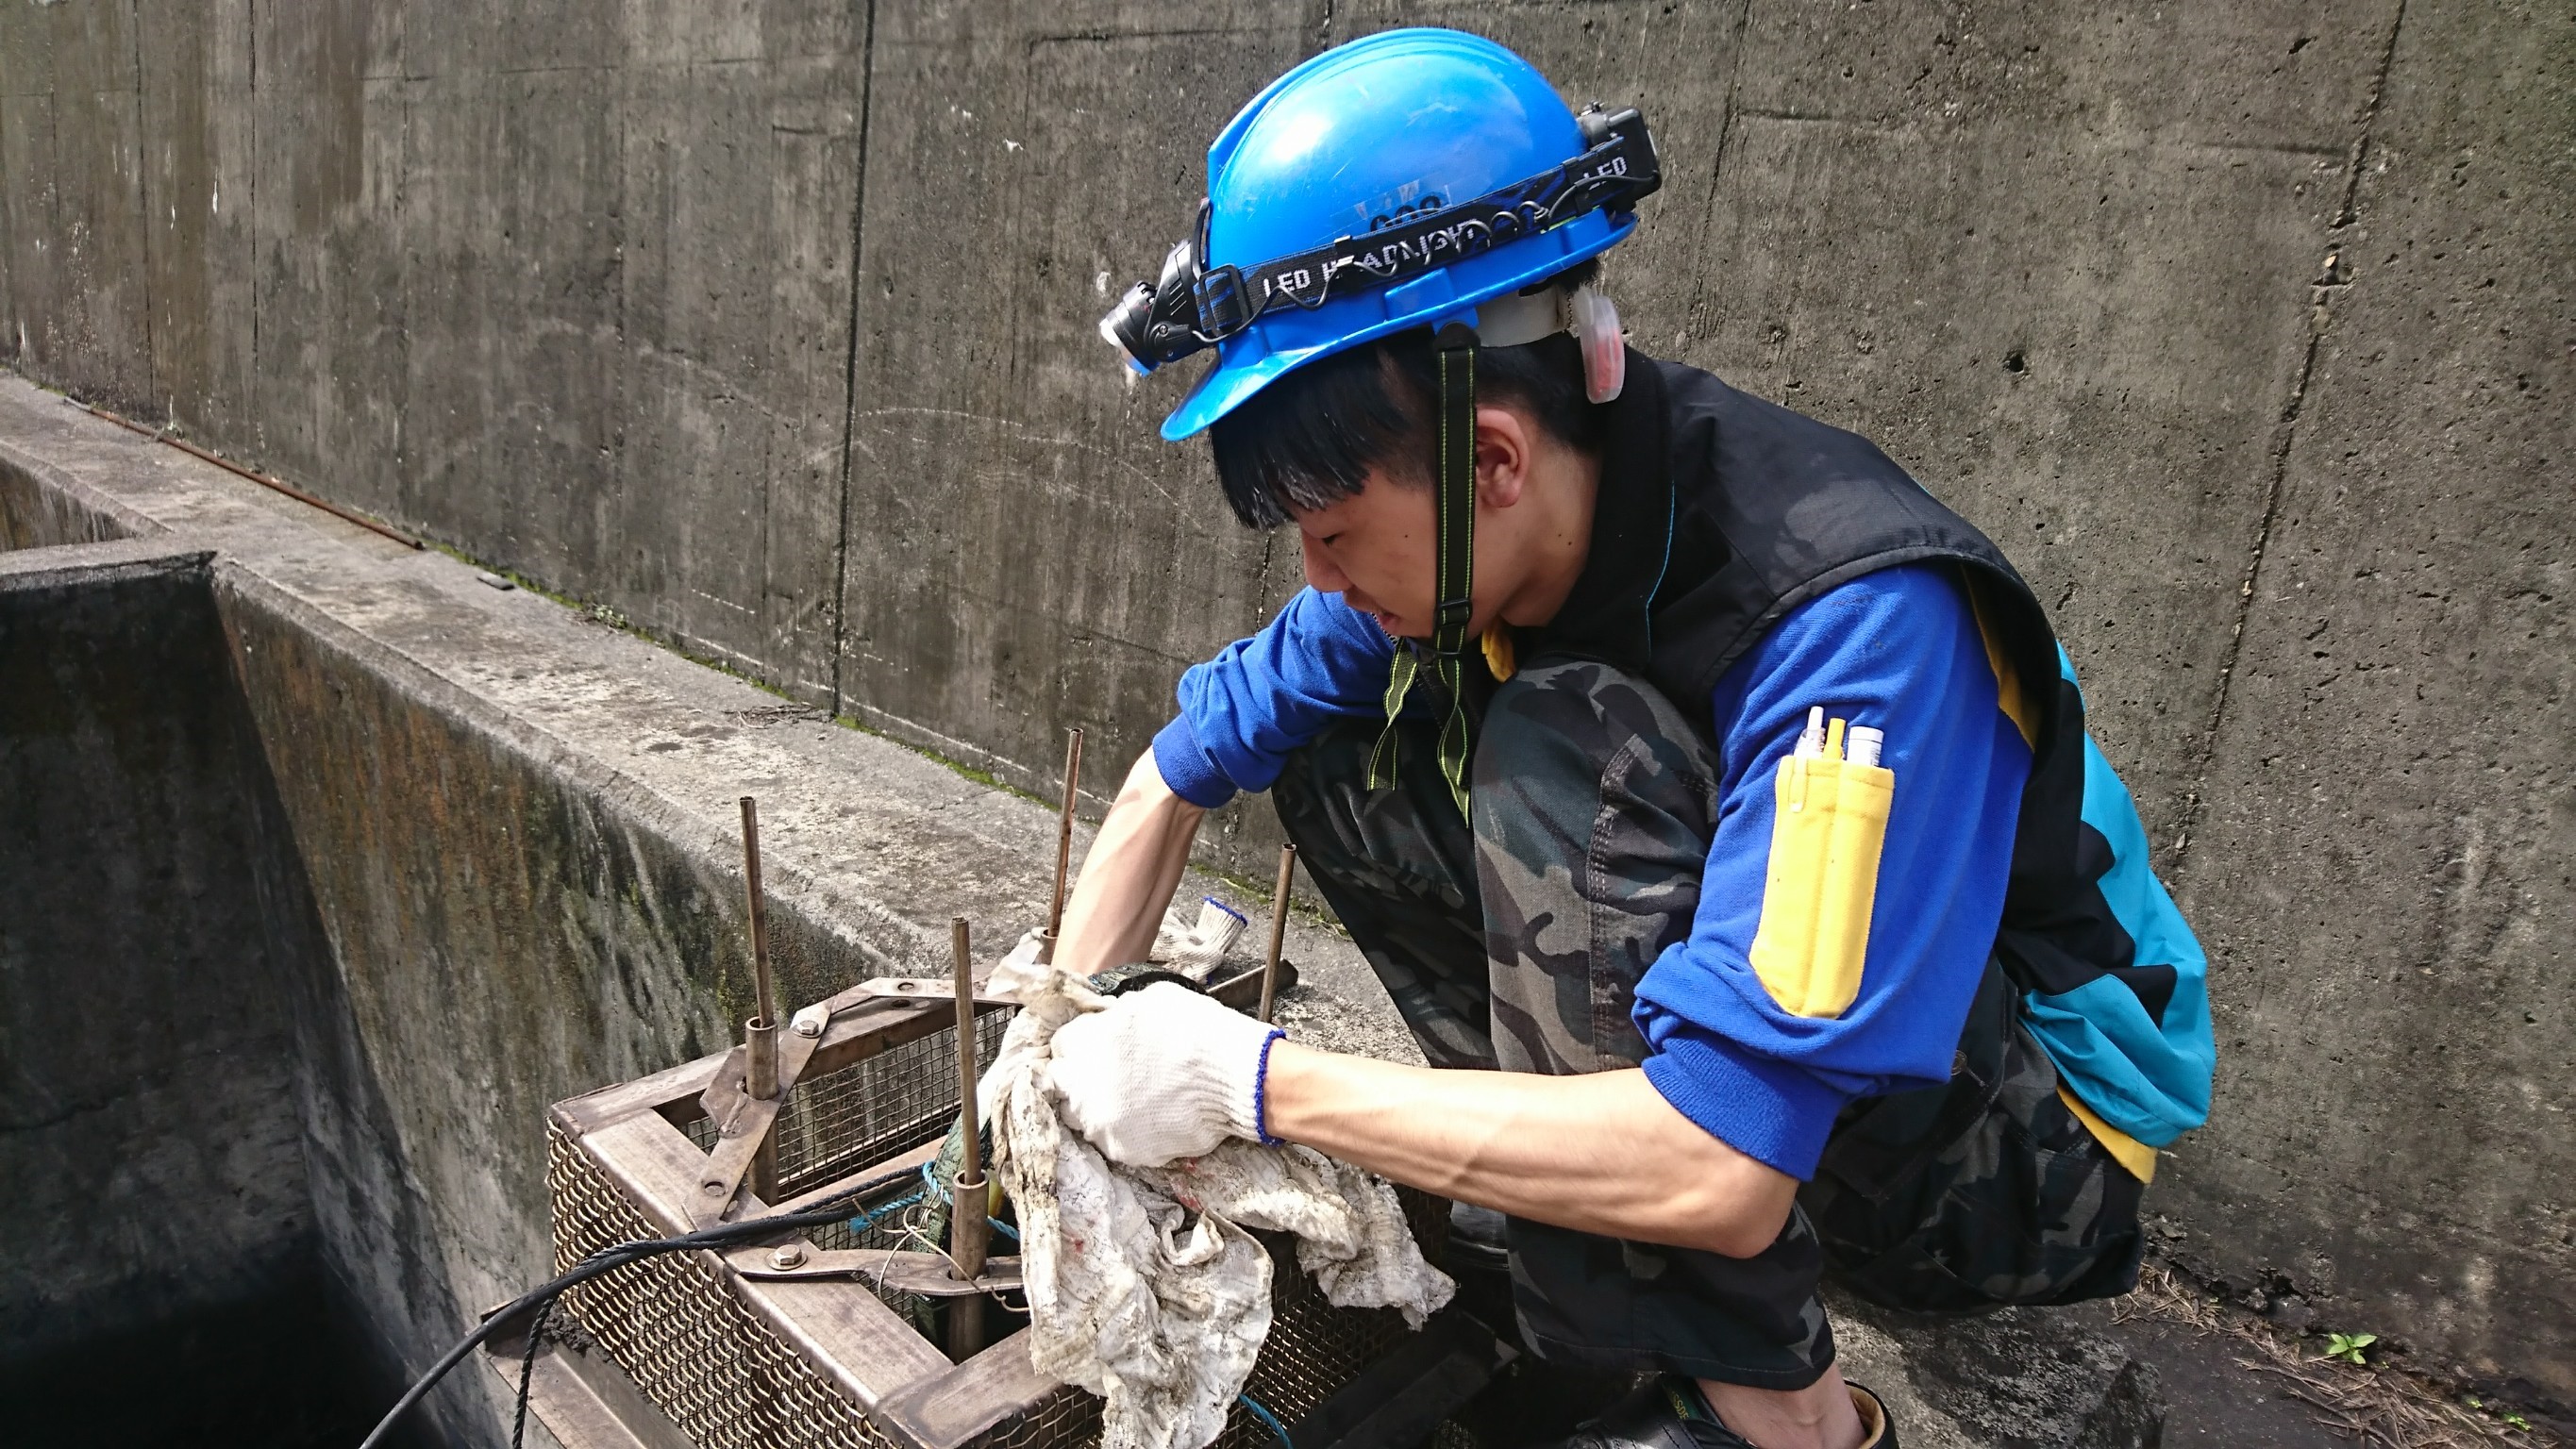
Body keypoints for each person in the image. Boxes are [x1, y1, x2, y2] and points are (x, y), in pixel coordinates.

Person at [1044, 29, 2216, 1449]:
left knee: (1560, 753)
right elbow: (1180, 769)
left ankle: (1782, 1422)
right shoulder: (1475, 541)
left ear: (1490, 458)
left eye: (1333, 531)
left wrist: (1247, 1084)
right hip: (1792, 1103)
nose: (1319, 577)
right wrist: (1054, 1039)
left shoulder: (1856, 621)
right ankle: (1581, 1221)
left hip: (2024, 1164)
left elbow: (1721, 1168)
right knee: (1336, 751)